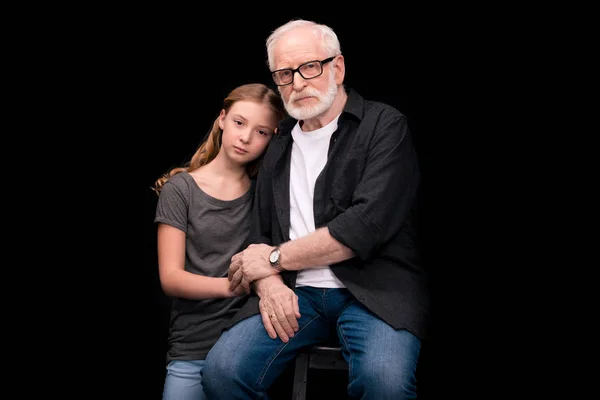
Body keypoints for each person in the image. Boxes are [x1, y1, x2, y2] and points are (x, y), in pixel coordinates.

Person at [202, 19, 430, 400]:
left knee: (384, 383)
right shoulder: (277, 145)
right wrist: (270, 283)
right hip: (297, 292)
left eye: (310, 67)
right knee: (223, 372)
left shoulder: (384, 125)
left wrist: (273, 259)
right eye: (285, 74)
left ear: (337, 67)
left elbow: (364, 227)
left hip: (374, 291)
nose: (299, 82)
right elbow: (260, 236)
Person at [152, 82, 286, 400]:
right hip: (193, 343)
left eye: (262, 132)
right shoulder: (180, 189)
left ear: (273, 138)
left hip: (253, 340)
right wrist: (236, 285)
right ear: (223, 119)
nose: (246, 137)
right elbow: (171, 279)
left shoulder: (265, 193)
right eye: (239, 123)